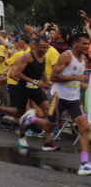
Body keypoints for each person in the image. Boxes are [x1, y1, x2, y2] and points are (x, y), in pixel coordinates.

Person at [40, 32, 91, 175]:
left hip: (73, 100)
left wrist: (83, 83)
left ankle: (85, 163)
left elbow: (79, 80)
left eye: (88, 44)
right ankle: (30, 120)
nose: (87, 46)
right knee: (48, 125)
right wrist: (76, 77)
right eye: (84, 44)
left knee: (84, 127)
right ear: (75, 43)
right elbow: (53, 77)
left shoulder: (84, 59)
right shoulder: (66, 56)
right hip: (59, 97)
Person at [0, 36, 55, 149]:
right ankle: (21, 136)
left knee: (47, 109)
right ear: (36, 46)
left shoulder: (43, 58)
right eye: (43, 47)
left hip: (35, 88)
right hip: (22, 88)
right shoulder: (27, 57)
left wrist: (47, 83)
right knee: (19, 113)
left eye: (47, 47)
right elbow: (17, 73)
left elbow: (42, 71)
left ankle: (48, 142)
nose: (45, 50)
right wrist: (34, 81)